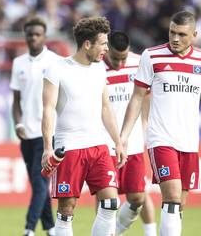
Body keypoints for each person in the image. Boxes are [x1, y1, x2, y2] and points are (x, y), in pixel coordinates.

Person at [119, 10, 201, 236]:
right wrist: (124, 137)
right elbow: (137, 98)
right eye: (171, 32)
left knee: (179, 205)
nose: (175, 38)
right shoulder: (152, 56)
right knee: (172, 198)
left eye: (181, 34)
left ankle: (113, 230)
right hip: (161, 139)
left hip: (188, 142)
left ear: (194, 34)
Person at [41, 16, 126, 236]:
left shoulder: (99, 70)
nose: (106, 49)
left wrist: (118, 142)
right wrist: (47, 148)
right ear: (87, 44)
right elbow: (48, 109)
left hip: (98, 146)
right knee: (66, 210)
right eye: (103, 44)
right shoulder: (57, 68)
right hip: (69, 147)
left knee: (111, 203)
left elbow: (106, 107)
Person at [101, 31, 157, 236]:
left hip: (132, 143)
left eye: (123, 58)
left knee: (138, 198)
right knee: (108, 201)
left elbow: (145, 96)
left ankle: (123, 232)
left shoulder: (139, 62)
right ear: (106, 49)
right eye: (115, 58)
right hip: (104, 144)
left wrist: (145, 124)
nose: (119, 63)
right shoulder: (95, 67)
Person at [10, 16, 62, 236]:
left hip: (46, 135)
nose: (33, 38)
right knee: (38, 186)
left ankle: (29, 229)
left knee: (40, 183)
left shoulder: (55, 61)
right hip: (27, 135)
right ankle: (50, 229)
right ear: (25, 36)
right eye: (30, 34)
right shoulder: (18, 63)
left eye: (37, 34)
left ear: (44, 36)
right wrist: (18, 123)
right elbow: (15, 101)